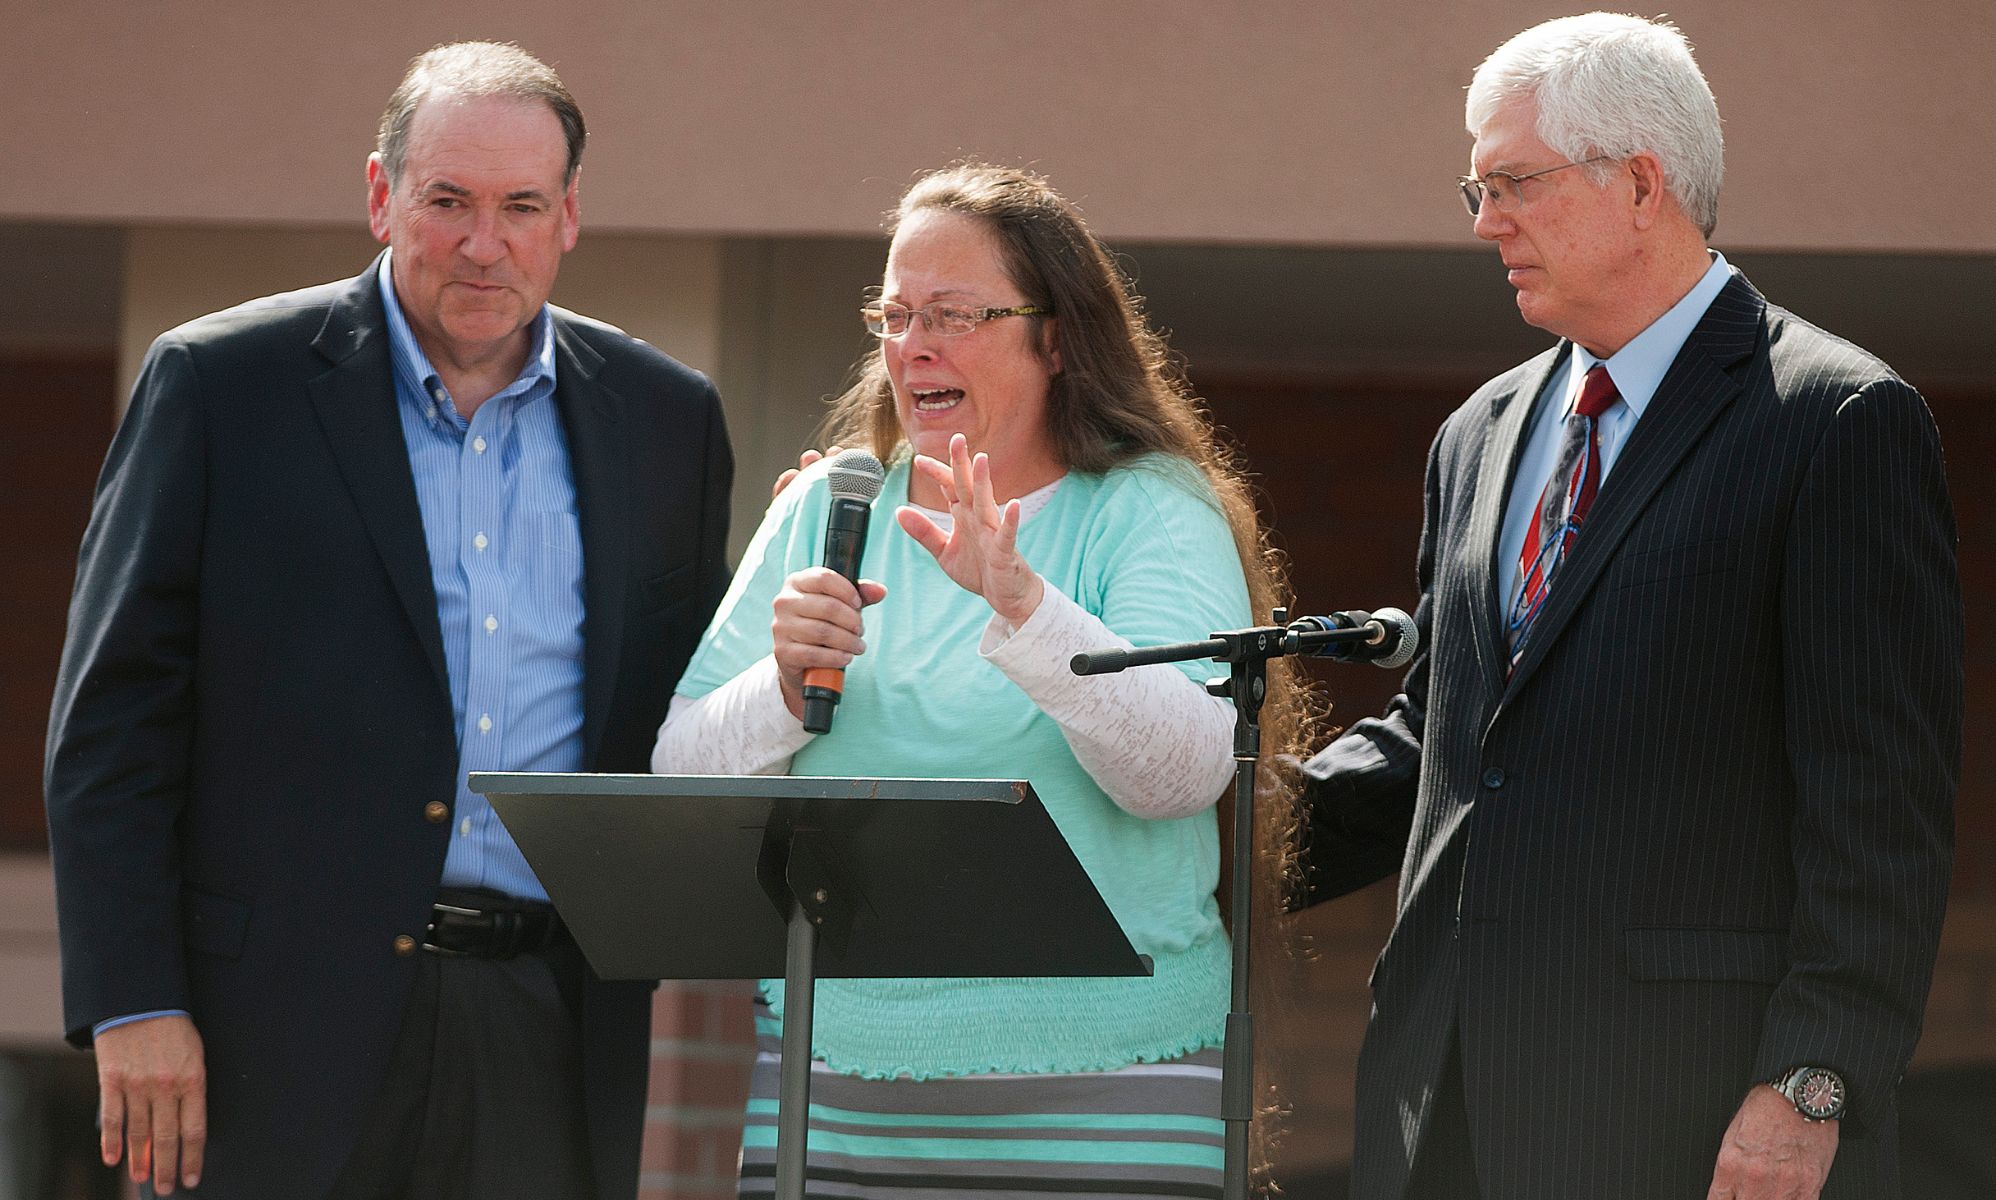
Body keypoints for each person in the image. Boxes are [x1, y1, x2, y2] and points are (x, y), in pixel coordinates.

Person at [44, 41, 733, 1200]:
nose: (483, 242)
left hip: (547, 1019)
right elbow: (111, 721)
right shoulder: (220, 388)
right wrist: (133, 997)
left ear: (569, 216)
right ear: (381, 197)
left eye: (521, 206)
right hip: (266, 1031)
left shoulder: (667, 422)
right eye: (447, 201)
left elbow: (682, 717)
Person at [1294, 13, 1961, 1200]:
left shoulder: (1835, 421)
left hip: (1690, 1114)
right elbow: (1446, 735)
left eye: (1514, 183)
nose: (1486, 221)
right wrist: (1219, 824)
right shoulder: (1478, 433)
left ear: (1640, 183)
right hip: (1437, 1099)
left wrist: (1814, 1080)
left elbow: (1880, 805)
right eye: (1476, 188)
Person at [652, 162, 1308, 1199]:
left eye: (953, 314)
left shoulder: (1149, 507)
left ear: (1055, 336)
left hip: (1108, 1078)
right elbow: (683, 771)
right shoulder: (834, 501)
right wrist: (780, 686)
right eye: (896, 313)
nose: (914, 346)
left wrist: (1024, 606)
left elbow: (1182, 773)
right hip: (836, 1080)